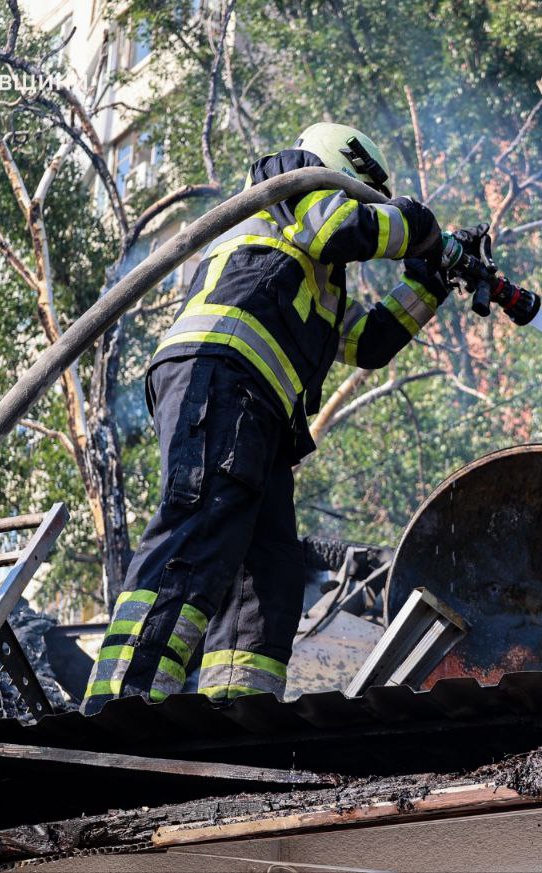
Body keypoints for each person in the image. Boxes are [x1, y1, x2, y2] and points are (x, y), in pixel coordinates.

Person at [82, 122, 448, 714]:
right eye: (360, 195)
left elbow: (368, 342)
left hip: (257, 408)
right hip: (221, 373)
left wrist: (431, 282)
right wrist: (420, 226)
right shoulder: (287, 179)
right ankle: (124, 700)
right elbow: (341, 229)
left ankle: (240, 711)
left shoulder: (313, 266)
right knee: (201, 526)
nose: (364, 208)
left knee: (269, 570)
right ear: (337, 170)